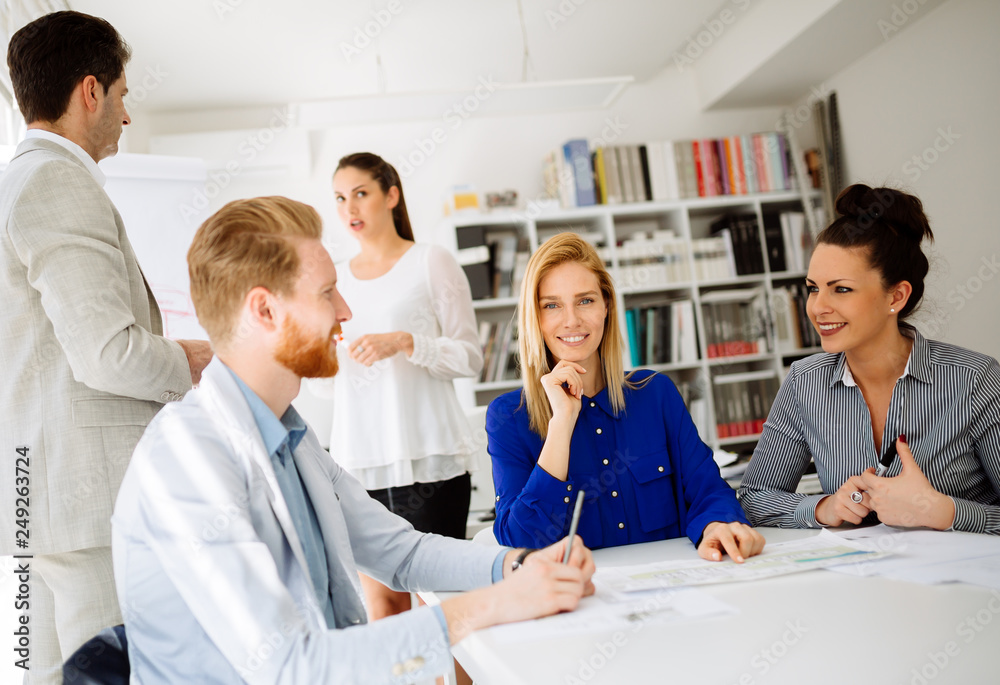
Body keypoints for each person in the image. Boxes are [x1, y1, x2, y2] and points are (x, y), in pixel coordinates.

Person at [111, 196, 594, 684]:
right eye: (327, 292)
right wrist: (496, 604)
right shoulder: (185, 458)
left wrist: (520, 565)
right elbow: (289, 666)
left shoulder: (293, 437)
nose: (346, 310)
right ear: (264, 310)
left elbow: (403, 554)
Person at [0, 11, 211, 683]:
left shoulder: (14, 184)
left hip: (40, 501)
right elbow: (109, 354)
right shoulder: (57, 182)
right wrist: (198, 359)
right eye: (122, 95)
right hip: (87, 511)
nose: (125, 117)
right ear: (90, 91)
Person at [738, 184, 1000, 534]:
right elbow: (754, 497)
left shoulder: (974, 380)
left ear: (896, 295)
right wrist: (824, 507)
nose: (818, 307)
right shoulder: (805, 382)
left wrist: (944, 511)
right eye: (814, 288)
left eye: (841, 289)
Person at [488, 232, 764, 561]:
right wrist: (561, 422)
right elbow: (520, 540)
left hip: (675, 587)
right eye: (552, 305)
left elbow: (708, 489)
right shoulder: (508, 417)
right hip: (582, 599)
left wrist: (718, 524)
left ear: (607, 306)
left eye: (585, 300)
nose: (572, 320)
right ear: (535, 318)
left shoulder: (656, 394)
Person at [319, 152, 483, 622]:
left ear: (391, 195)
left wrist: (408, 342)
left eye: (361, 193)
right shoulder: (334, 277)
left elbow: (471, 357)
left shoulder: (431, 261)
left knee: (441, 605)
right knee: (384, 608)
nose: (350, 207)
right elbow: (331, 391)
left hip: (429, 460)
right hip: (358, 468)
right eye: (339, 198)